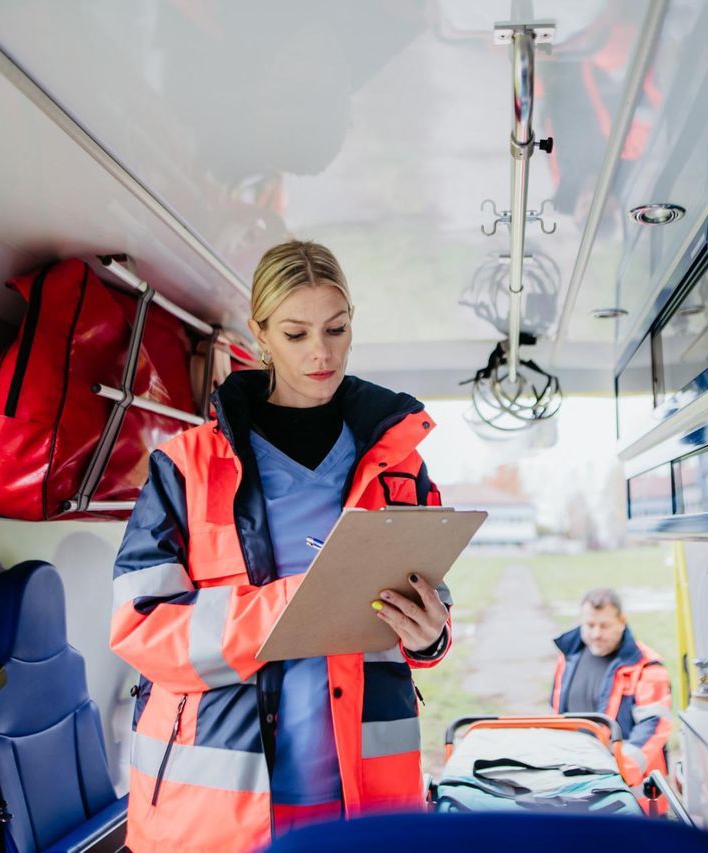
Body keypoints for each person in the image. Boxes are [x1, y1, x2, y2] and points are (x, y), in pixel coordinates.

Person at [110, 240, 452, 853]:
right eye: (296, 334)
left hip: (364, 798)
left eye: (336, 329)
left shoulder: (401, 466)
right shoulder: (184, 467)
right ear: (261, 334)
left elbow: (429, 601)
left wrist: (430, 635)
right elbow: (141, 626)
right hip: (217, 810)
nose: (322, 352)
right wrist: (298, 604)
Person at [551, 588, 671, 786]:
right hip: (575, 780)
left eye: (604, 626)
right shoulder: (567, 658)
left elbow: (654, 726)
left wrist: (618, 772)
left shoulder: (647, 666)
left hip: (630, 790)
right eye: (590, 625)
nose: (596, 634)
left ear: (622, 621)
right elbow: (558, 716)